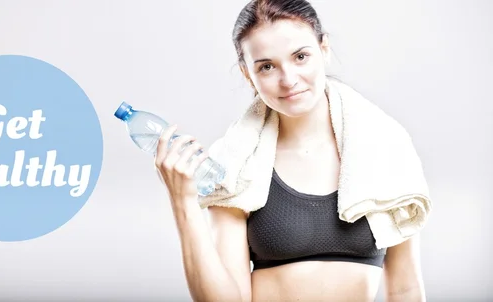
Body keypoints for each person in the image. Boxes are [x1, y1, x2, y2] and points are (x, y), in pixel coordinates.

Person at [153, 0, 426, 301]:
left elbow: (405, 287)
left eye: (300, 56)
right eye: (267, 66)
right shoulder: (235, 163)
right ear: (247, 74)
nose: (288, 80)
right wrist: (184, 202)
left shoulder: (383, 146)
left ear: (324, 49)